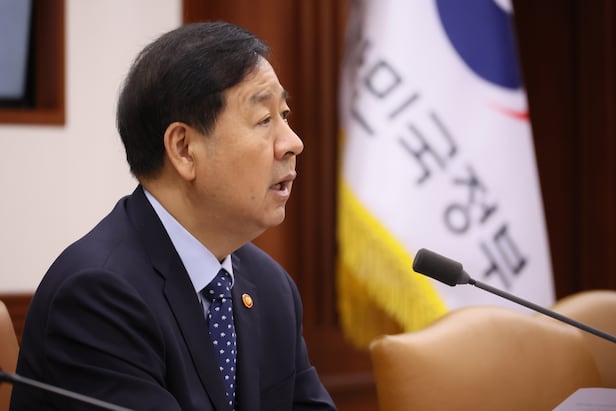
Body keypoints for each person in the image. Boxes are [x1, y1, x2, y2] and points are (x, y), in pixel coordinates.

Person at [10, 21, 336, 411]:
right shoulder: (97, 297)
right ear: (183, 149)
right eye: (265, 120)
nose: (293, 143)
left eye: (284, 114)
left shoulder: (270, 287)